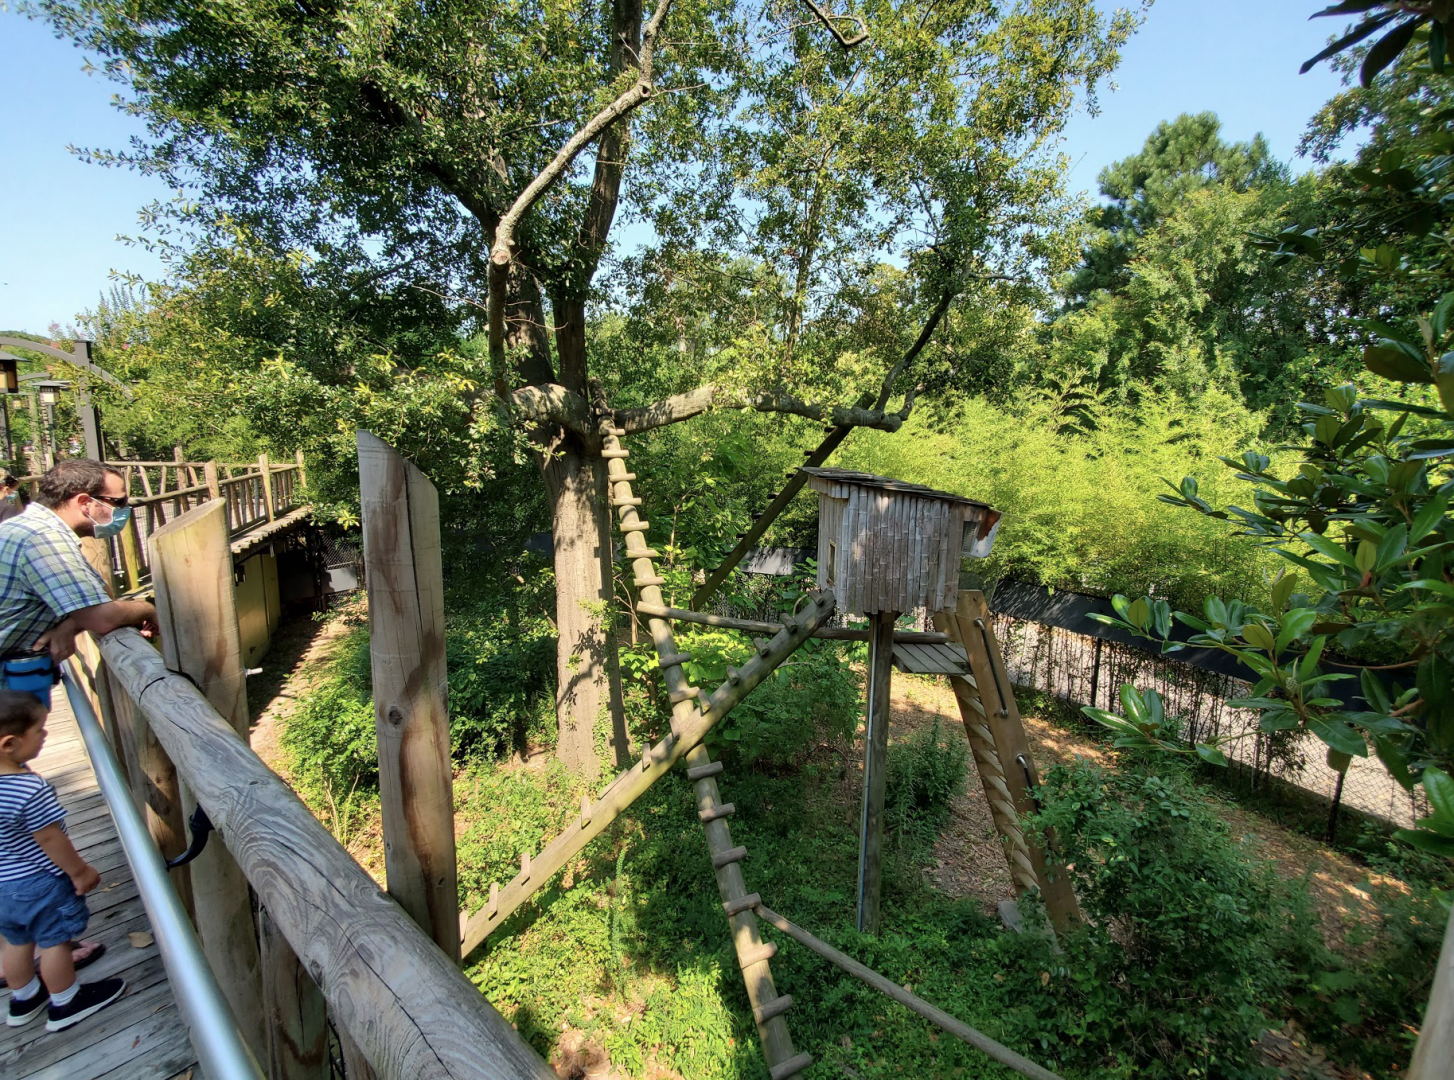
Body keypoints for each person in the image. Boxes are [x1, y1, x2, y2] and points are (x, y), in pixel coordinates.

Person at [0, 690, 126, 1030]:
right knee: (54, 941)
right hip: (37, 883)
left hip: (2, 887)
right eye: (39, 730)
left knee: (16, 941)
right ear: (9, 744)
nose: (45, 736)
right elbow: (50, 838)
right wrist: (79, 871)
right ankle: (66, 1002)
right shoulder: (28, 790)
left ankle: (24, 998)